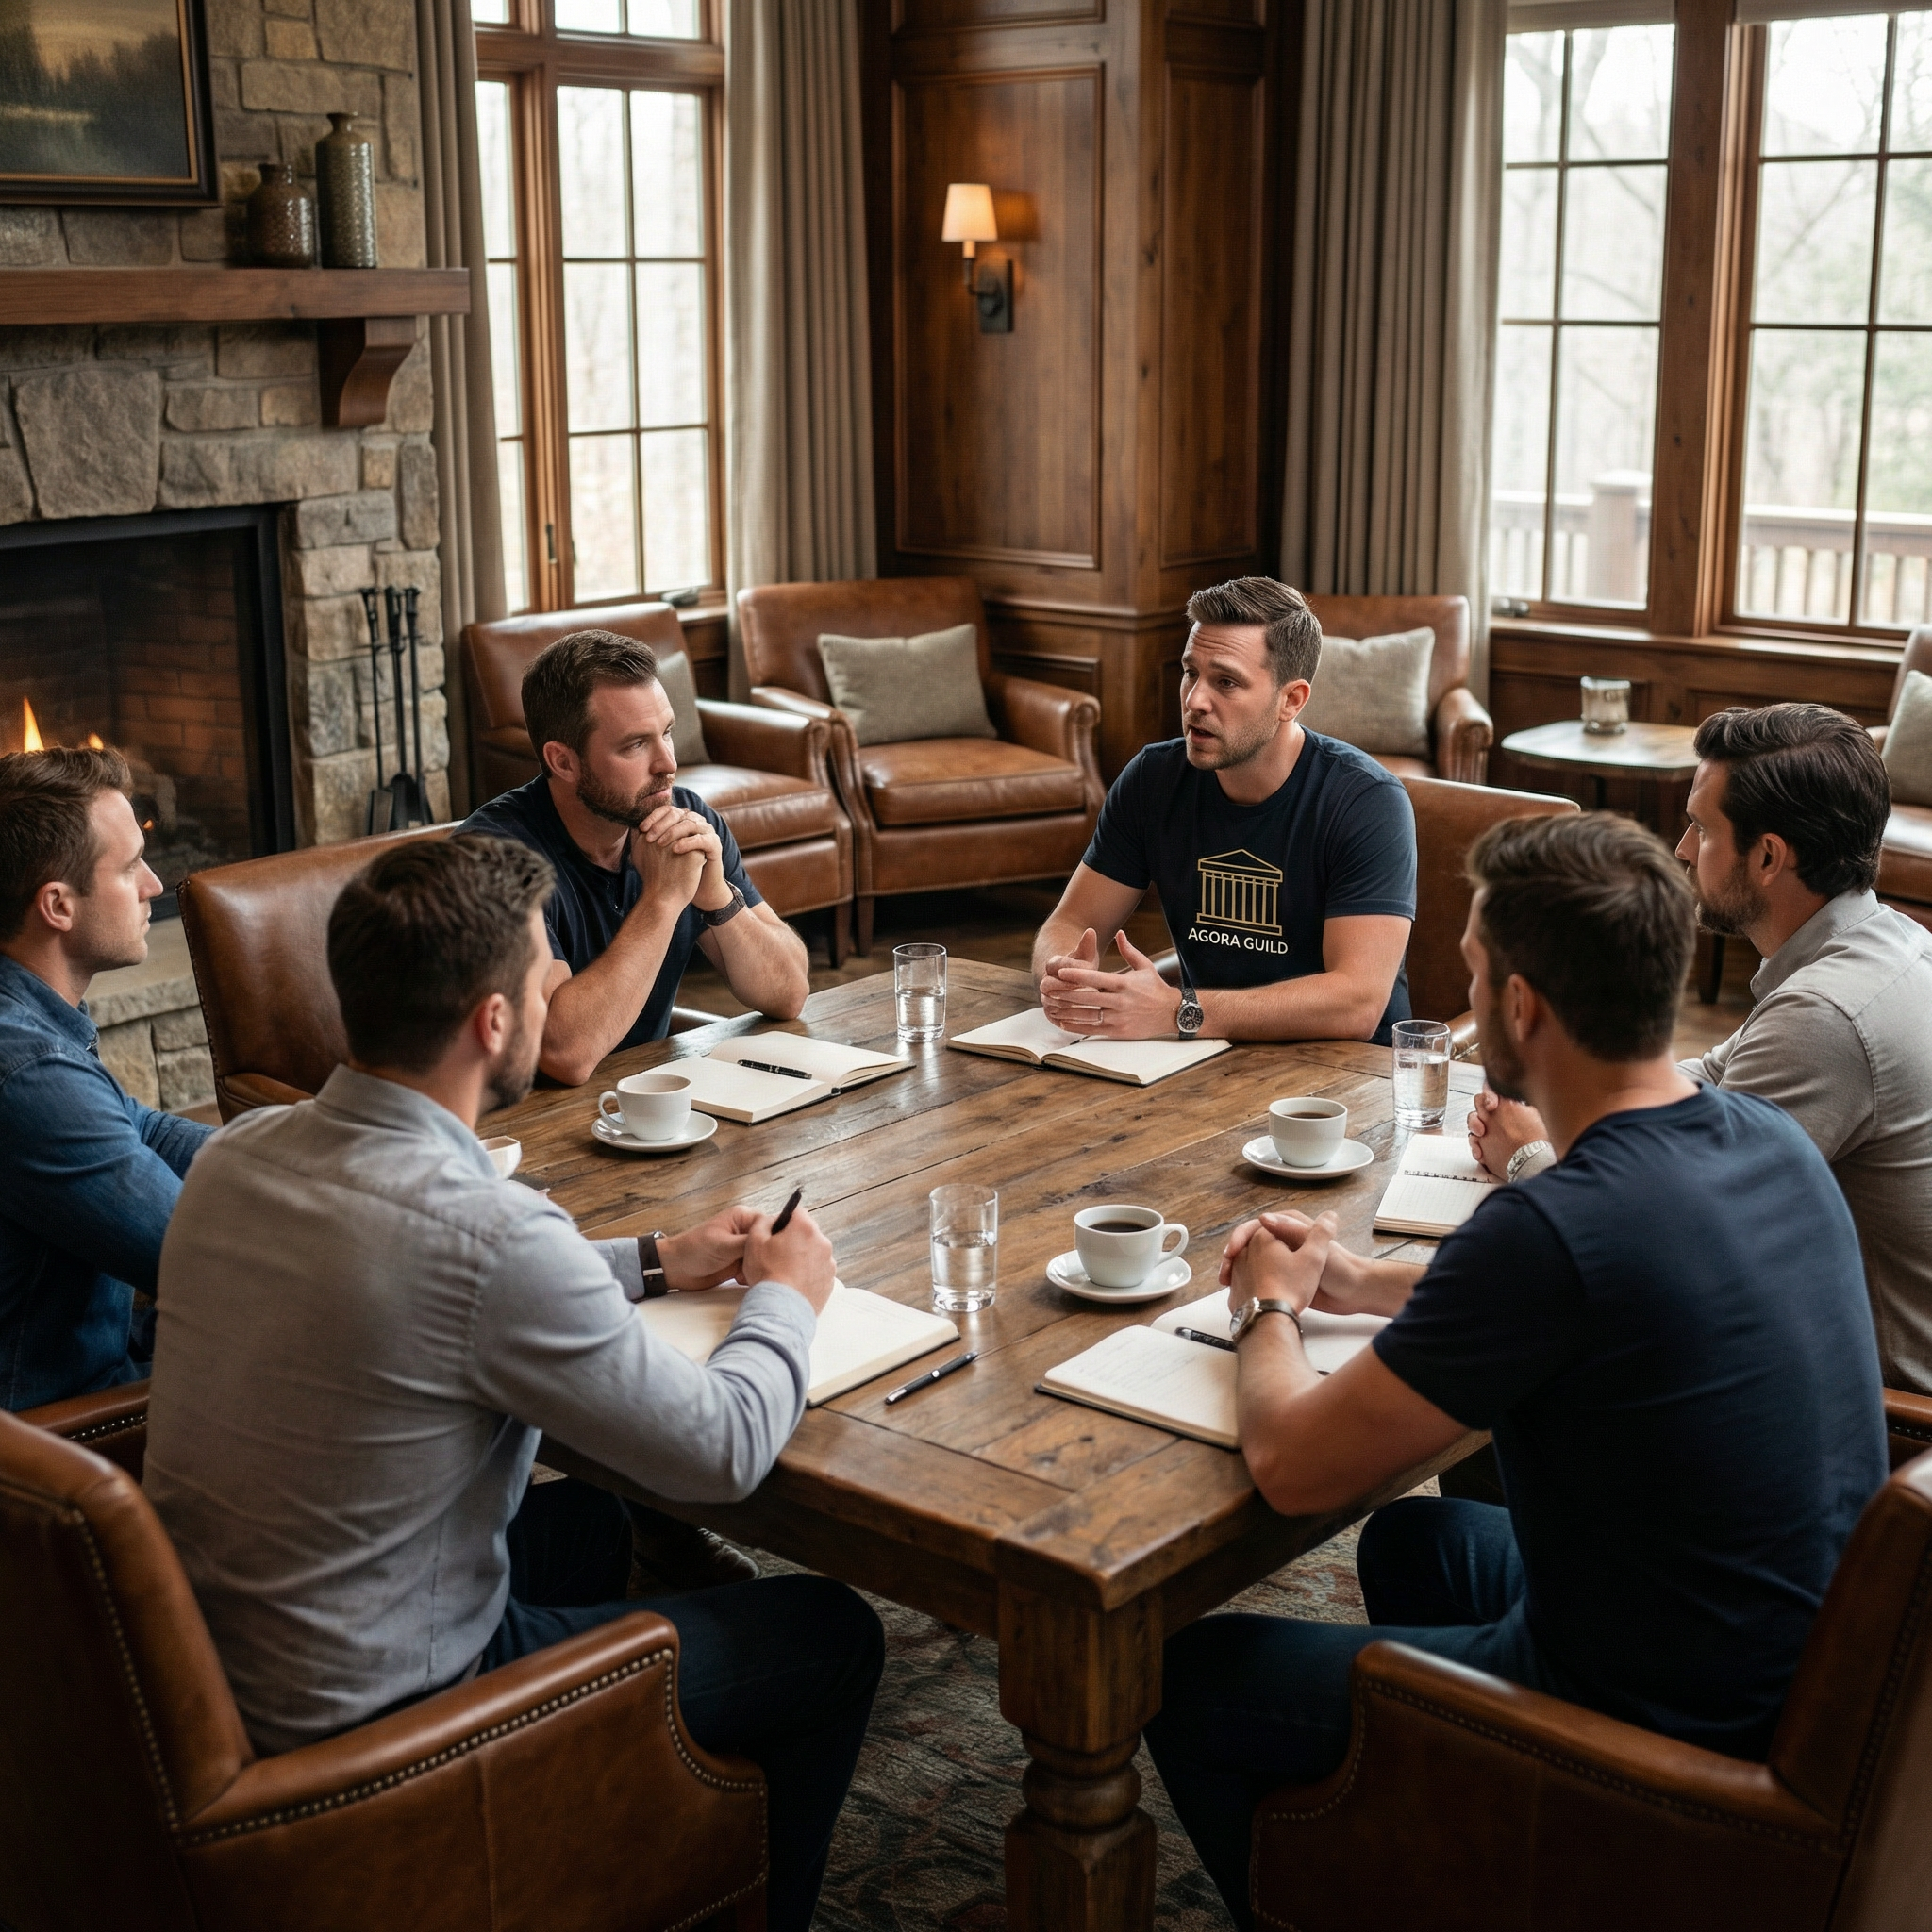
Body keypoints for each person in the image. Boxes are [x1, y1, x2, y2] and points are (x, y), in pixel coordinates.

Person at [1142, 811, 1886, 1932]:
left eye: (1475, 971)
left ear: (1523, 1004)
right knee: (1414, 1542)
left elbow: (1294, 1465)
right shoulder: (1757, 1135)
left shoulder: (1549, 1225)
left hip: (1675, 1742)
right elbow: (1579, 1293)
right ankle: (1451, 1851)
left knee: (1190, 1676)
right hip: (1808, 1671)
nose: (1461, 988)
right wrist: (1349, 1276)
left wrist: (1268, 1313)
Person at [142, 834, 881, 1932]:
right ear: (493, 1022)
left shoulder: (234, 1153)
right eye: (545, 976)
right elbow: (721, 1452)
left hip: (203, 1669)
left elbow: (408, 1266)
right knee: (831, 1632)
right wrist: (785, 1295)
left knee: (588, 1519)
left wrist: (652, 1258)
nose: (554, 990)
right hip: (380, 1730)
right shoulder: (491, 1233)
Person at [1467, 702, 1932, 1392]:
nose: (1682, 848)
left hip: (1863, 1406)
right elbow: (1707, 1080)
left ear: (1769, 856)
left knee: (1519, 1370)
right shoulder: (1880, 942)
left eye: (1701, 827)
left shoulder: (1825, 1015)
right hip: (1815, 1343)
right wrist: (1565, 1085)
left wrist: (1533, 1154)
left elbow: (1671, 1247)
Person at [1030, 577, 1415, 1045]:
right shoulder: (1153, 779)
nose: (1195, 701)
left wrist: (1180, 1011)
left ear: (1290, 700)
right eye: (1190, 672)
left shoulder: (1366, 801)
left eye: (1226, 682)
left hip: (1343, 1079)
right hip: (1206, 1057)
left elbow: (1356, 1002)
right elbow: (1071, 922)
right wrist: (1061, 970)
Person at [465, 628, 810, 1086]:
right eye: (635, 745)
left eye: (666, 733)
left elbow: (789, 994)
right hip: (523, 1131)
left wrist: (715, 896)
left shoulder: (685, 820)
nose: (667, 762)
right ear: (562, 761)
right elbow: (563, 1053)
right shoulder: (495, 859)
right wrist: (663, 900)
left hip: (650, 1104)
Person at [0, 746, 213, 1411]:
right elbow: (200, 1254)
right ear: (57, 906)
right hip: (67, 1440)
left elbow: (141, 1129)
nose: (155, 885)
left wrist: (309, 1149)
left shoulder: (29, 1019)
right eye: (129, 868)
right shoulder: (25, 1071)